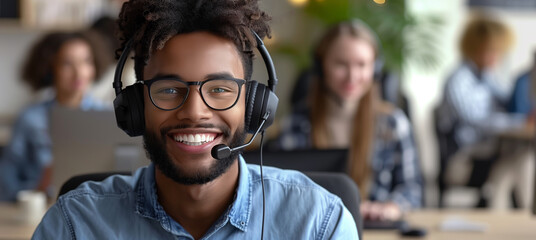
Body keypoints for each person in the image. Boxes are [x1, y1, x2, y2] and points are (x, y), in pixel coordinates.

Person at [32, 0, 358, 239]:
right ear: (134, 105)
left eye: (219, 89)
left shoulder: (318, 224)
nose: (194, 112)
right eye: (169, 89)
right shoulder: (75, 225)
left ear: (253, 104)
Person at [273, 20, 423, 221]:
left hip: (374, 228)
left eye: (362, 65)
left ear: (375, 69)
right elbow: (282, 192)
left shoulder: (394, 124)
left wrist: (392, 207)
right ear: (321, 66)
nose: (352, 76)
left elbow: (412, 190)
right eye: (341, 64)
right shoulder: (296, 124)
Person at [0, 31, 108, 202]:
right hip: (44, 211)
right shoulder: (31, 118)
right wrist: (39, 187)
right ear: (51, 68)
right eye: (67, 64)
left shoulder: (107, 117)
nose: (78, 72)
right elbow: (5, 185)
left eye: (86, 62)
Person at [436, 13, 526, 208]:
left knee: (522, 160)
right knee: (521, 162)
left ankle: (507, 212)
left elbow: (506, 101)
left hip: (490, 152)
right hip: (466, 157)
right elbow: (477, 120)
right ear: (476, 48)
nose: (498, 56)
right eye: (493, 50)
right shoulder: (458, 80)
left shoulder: (487, 76)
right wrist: (522, 122)